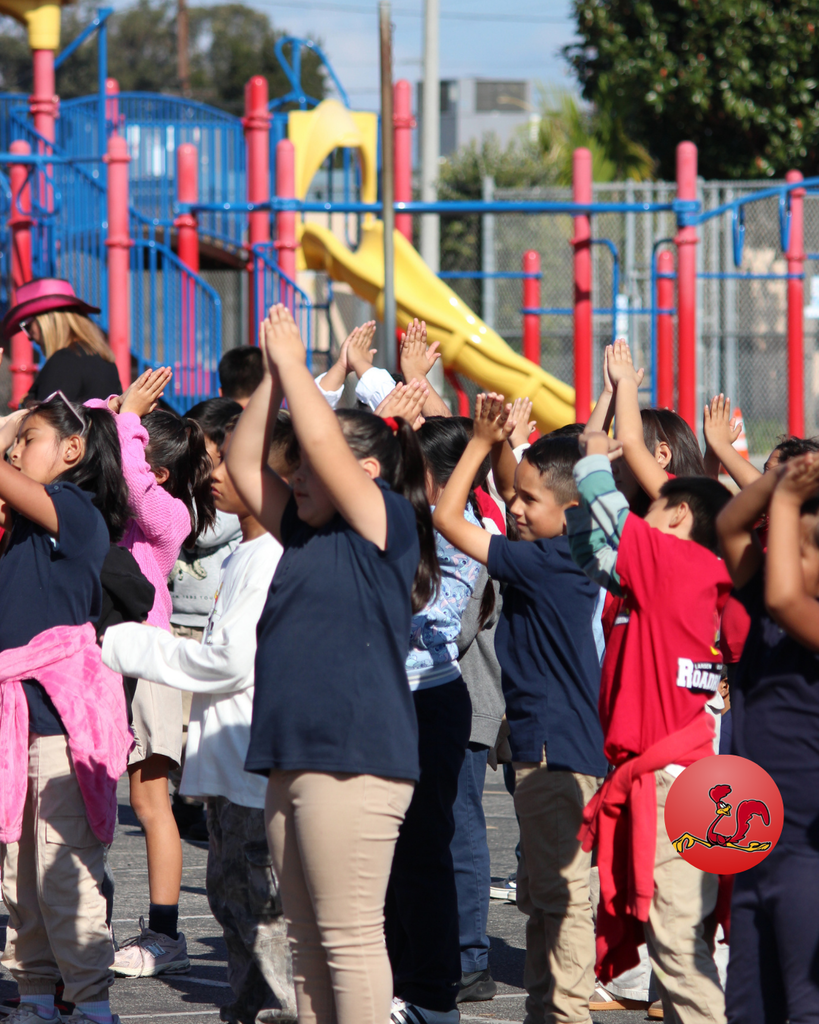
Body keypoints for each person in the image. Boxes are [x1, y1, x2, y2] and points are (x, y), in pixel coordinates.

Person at [225, 304, 439, 1024]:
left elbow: (320, 441)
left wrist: (298, 370)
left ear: (366, 471)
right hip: (294, 757)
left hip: (355, 759)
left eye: (312, 473)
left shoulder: (386, 522)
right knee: (307, 942)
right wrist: (273, 381)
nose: (299, 483)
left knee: (347, 939)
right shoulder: (302, 534)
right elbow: (241, 462)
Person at [102, 414, 299, 1024]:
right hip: (233, 770)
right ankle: (247, 1008)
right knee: (232, 903)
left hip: (252, 769)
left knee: (259, 914)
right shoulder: (249, 551)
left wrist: (127, 643)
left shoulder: (268, 559)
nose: (214, 472)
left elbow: (231, 663)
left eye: (231, 461)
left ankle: (274, 1011)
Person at [433, 395, 607, 1024]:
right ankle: (546, 1007)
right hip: (566, 745)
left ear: (570, 511)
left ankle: (564, 1011)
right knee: (541, 892)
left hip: (550, 750)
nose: (514, 506)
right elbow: (532, 484)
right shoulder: (576, 549)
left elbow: (450, 516)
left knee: (559, 896)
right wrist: (511, 447)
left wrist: (480, 443)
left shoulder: (541, 563)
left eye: (530, 502)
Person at [566, 430, 733, 1024]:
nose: (639, 515)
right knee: (676, 946)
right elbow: (590, 553)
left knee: (682, 949)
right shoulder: (676, 577)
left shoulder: (681, 564)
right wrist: (582, 500)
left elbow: (602, 499)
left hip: (673, 783)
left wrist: (595, 450)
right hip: (677, 779)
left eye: (652, 507)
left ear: (680, 515)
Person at [0, 394, 133, 1024]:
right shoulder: (21, 524)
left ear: (72, 451)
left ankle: (90, 1003)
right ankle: (33, 995)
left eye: (29, 438)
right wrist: (17, 427)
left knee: (64, 871)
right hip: (15, 721)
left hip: (58, 726)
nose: (16, 449)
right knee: (18, 875)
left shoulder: (77, 513)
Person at [89, 369, 216, 978]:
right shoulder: (108, 510)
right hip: (101, 659)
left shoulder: (169, 517)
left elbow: (136, 487)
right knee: (89, 793)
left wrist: (128, 422)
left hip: (155, 665)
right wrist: (114, 407)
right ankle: (91, 917)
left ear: (156, 469)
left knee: (150, 799)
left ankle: (165, 932)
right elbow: (82, 430)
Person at [385, 417, 484, 1024]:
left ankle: (433, 993)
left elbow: (433, 619)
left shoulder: (460, 535)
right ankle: (398, 978)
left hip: (430, 701)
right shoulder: (395, 522)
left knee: (423, 852)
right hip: (387, 701)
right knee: (387, 854)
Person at [716, 455, 819, 1024]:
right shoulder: (758, 598)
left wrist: (782, 503)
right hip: (754, 843)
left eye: (795, 547)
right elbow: (729, 527)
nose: (776, 553)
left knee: (807, 1005)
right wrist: (778, 481)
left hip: (808, 849)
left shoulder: (799, 613)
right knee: (749, 1005)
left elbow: (786, 598)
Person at [169, 397, 244, 840]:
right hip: (177, 616)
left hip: (209, 625)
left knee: (200, 722)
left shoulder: (231, 496)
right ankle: (184, 799)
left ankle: (199, 800)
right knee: (178, 722)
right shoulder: (188, 487)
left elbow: (198, 532)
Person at [0, 279, 122, 406]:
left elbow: (43, 422)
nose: (29, 336)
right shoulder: (104, 358)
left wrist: (26, 405)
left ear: (48, 321)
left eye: (28, 326)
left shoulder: (64, 361)